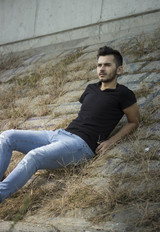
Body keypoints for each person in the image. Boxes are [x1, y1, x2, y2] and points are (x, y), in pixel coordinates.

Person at [0, 46, 140, 203]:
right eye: (99, 65)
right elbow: (85, 116)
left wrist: (111, 141)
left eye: (107, 65)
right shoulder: (91, 88)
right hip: (60, 134)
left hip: (81, 145)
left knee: (34, 156)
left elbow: (134, 121)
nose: (102, 69)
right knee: (7, 136)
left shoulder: (123, 94)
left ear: (119, 69)